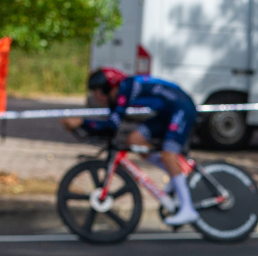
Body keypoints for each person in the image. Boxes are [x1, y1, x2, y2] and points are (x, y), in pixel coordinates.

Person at [60, 68, 199, 226]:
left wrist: (81, 122)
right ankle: (175, 173)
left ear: (107, 88)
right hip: (167, 112)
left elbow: (112, 125)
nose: (94, 97)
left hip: (182, 108)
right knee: (134, 140)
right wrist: (81, 125)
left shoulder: (127, 88)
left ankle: (188, 209)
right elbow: (110, 127)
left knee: (168, 155)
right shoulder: (117, 96)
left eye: (96, 92)